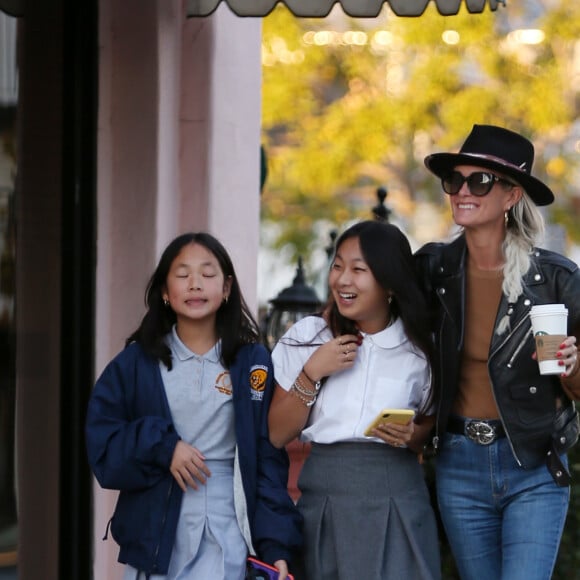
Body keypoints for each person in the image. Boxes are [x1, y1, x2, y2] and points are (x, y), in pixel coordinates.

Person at [85, 232, 302, 580]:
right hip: (158, 538)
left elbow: (265, 459)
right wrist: (164, 447)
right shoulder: (135, 363)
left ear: (227, 287)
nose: (195, 284)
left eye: (208, 274)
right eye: (183, 275)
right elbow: (103, 446)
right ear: (166, 293)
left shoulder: (253, 361)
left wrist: (276, 544)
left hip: (229, 530)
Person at [415, 124, 580, 580]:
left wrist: (572, 367)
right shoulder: (433, 269)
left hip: (532, 463)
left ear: (511, 196)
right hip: (459, 463)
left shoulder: (556, 279)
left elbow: (577, 385)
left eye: (480, 181)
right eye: (456, 181)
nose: (463, 191)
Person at [268, 220, 441, 580]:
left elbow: (430, 424)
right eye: (337, 266)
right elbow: (276, 434)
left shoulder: (420, 349)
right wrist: (311, 373)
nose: (343, 280)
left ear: (390, 283)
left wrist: (413, 436)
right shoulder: (307, 336)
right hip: (324, 499)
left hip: (399, 499)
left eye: (358, 269)